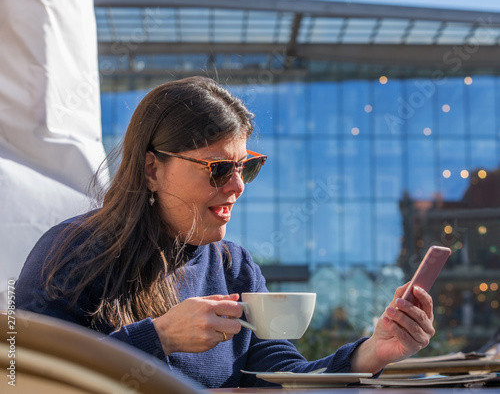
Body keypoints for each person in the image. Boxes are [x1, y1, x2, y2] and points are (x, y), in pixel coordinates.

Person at [16, 76, 435, 389]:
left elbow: (278, 377)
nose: (237, 187)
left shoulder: (234, 267)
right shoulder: (72, 253)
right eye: (218, 168)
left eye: (246, 167)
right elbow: (31, 377)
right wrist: (159, 337)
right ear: (151, 170)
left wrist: (371, 353)